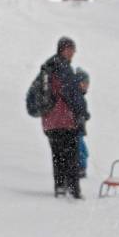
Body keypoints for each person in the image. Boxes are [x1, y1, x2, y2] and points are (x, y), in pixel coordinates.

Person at [40, 37, 89, 199]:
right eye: (71, 49)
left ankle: (60, 187)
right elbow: (73, 95)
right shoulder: (64, 69)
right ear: (64, 49)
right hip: (66, 121)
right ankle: (74, 189)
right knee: (71, 156)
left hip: (49, 121)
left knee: (57, 156)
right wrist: (82, 113)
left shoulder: (47, 67)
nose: (73, 53)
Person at [74, 67, 90, 178]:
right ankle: (80, 169)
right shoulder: (76, 96)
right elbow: (77, 112)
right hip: (76, 130)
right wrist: (83, 116)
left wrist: (85, 115)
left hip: (79, 130)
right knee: (80, 150)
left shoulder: (79, 96)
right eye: (85, 83)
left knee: (84, 151)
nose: (87, 86)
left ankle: (81, 168)